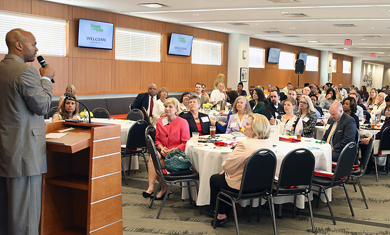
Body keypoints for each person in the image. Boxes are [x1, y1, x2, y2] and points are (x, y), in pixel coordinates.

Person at [0, 28, 55, 235]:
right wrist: (46, 79)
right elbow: (41, 106)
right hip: (24, 156)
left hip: (5, 153)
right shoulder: (26, 71)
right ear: (19, 45)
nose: (36, 48)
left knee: (6, 216)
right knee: (26, 219)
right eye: (33, 44)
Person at [208, 114, 274, 227]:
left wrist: (228, 171)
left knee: (215, 179)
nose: (244, 126)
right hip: (263, 185)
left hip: (244, 186)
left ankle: (220, 215)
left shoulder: (244, 144)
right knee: (224, 178)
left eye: (247, 124)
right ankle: (224, 212)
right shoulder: (268, 142)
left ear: (255, 127)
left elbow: (227, 166)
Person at [143, 98, 190, 199]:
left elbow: (185, 142)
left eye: (170, 107)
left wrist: (172, 150)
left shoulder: (183, 122)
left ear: (176, 109)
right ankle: (152, 187)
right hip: (163, 149)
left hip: (176, 152)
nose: (167, 109)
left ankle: (163, 188)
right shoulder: (160, 121)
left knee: (156, 164)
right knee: (154, 157)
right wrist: (162, 148)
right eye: (166, 107)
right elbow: (157, 140)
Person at [360, 106, 390, 171]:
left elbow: (381, 134)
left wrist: (370, 138)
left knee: (363, 144)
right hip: (384, 144)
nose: (387, 112)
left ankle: (368, 165)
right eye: (386, 110)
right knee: (365, 141)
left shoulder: (388, 123)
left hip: (383, 146)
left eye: (389, 110)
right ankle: (368, 164)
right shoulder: (387, 120)